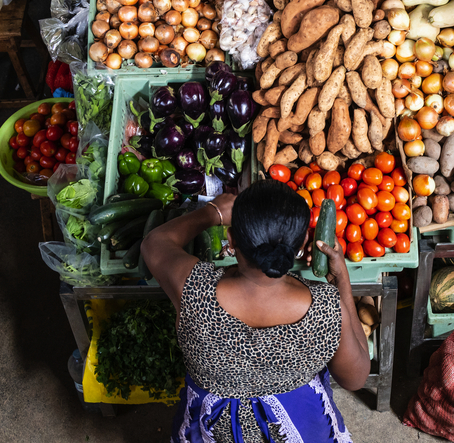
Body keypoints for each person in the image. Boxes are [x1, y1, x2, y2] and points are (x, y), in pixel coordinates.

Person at [142, 180, 370, 442]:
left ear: (231, 239)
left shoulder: (193, 287)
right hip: (299, 425)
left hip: (212, 429)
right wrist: (341, 282)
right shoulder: (326, 305)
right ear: (304, 242)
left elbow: (154, 243)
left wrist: (213, 212)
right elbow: (356, 378)